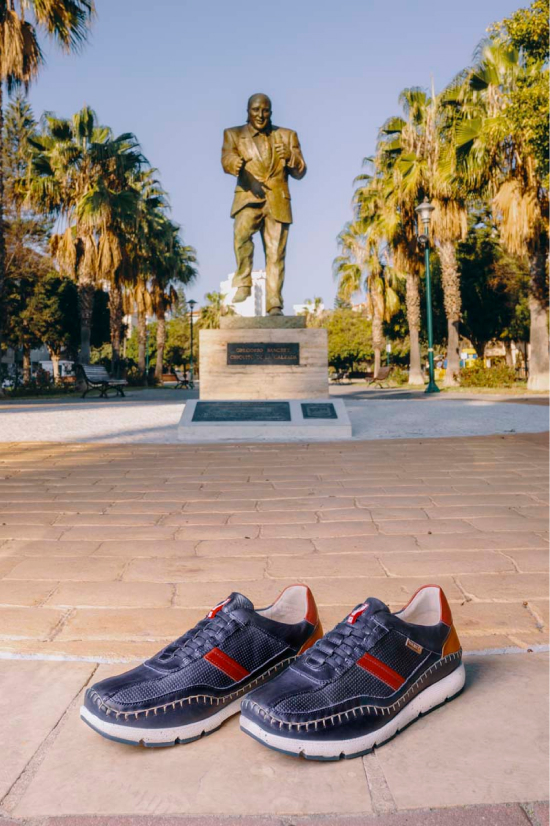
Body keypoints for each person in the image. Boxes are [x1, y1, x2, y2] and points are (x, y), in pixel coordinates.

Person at [221, 93, 306, 316]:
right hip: (249, 196)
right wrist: (234, 164)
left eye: (265, 110)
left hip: (278, 201)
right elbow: (226, 158)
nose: (260, 115)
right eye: (255, 110)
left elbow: (301, 171)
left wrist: (290, 157)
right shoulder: (233, 134)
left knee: (276, 253)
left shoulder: (287, 136)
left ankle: (274, 303)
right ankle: (244, 281)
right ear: (247, 111)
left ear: (271, 112)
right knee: (240, 236)